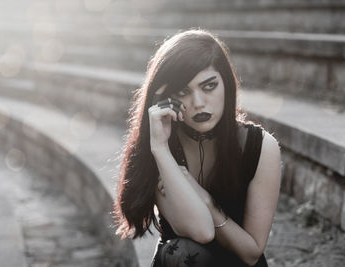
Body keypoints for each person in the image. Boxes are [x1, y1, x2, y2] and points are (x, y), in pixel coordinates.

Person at [113, 28, 282, 267]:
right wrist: (160, 149)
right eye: (183, 92)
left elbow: (251, 252)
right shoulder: (162, 145)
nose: (198, 103)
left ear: (227, 85)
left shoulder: (260, 147)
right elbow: (201, 232)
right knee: (185, 252)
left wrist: (203, 198)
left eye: (209, 86)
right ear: (164, 97)